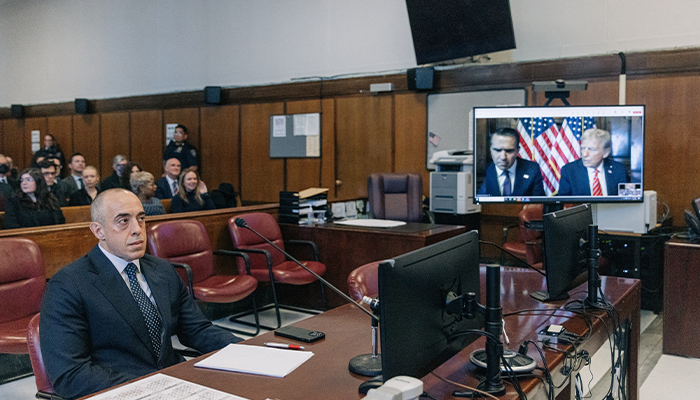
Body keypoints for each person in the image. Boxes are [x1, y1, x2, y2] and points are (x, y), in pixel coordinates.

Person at [39, 189, 243, 399]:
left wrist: (246, 349)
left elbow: (197, 330)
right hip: (124, 391)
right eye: (123, 221)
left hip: (176, 384)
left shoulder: (162, 269)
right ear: (98, 231)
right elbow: (70, 375)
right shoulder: (68, 284)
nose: (137, 229)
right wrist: (151, 386)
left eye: (141, 218)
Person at [558, 128, 629, 196]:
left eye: (592, 149)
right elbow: (564, 204)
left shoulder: (619, 170)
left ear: (605, 153)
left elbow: (627, 201)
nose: (585, 154)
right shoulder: (569, 171)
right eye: (583, 148)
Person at [478, 127, 546, 197]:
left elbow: (539, 204)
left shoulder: (532, 170)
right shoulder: (483, 171)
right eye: (498, 150)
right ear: (490, 151)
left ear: (517, 151)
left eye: (509, 151)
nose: (503, 157)